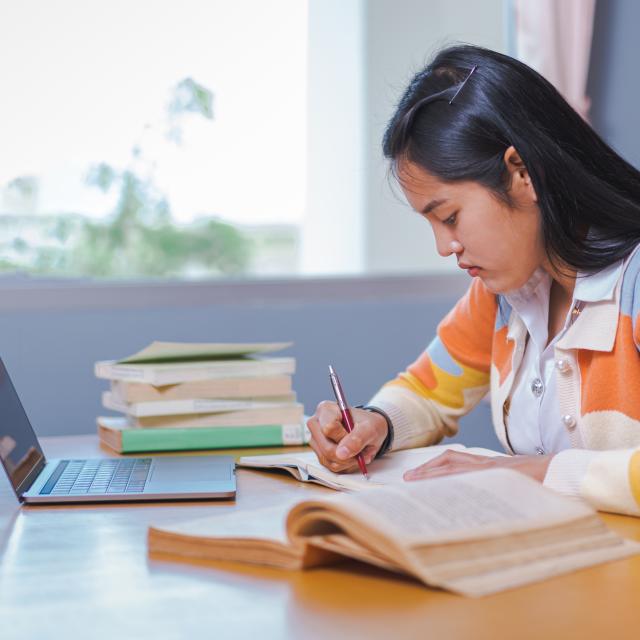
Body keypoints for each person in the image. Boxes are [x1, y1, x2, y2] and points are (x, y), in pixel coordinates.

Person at [306, 44, 640, 516]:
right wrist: (374, 423)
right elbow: (426, 391)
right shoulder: (507, 292)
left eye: (450, 216)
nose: (445, 247)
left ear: (522, 173)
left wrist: (536, 474)